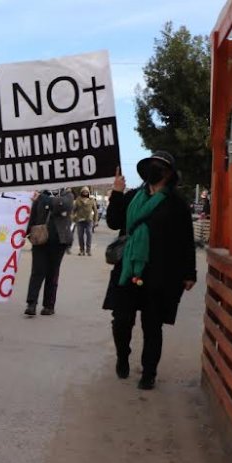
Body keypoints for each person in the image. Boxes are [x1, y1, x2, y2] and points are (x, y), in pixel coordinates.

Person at [103, 151, 197, 390]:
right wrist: (116, 191)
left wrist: (189, 273)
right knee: (121, 320)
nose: (154, 169)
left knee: (152, 325)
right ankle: (122, 356)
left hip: (161, 273)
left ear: (169, 173)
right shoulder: (133, 196)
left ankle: (149, 373)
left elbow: (185, 240)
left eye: (159, 166)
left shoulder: (177, 203)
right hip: (127, 269)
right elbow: (114, 222)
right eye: (151, 165)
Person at [24, 188, 74, 316]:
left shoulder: (67, 195)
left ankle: (49, 306)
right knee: (37, 272)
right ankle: (31, 304)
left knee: (52, 273)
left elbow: (62, 206)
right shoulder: (42, 195)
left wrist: (43, 198)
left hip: (59, 241)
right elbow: (33, 215)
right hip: (40, 239)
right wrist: (27, 233)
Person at [72, 186, 98, 256]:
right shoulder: (78, 200)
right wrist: (73, 218)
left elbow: (95, 211)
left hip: (89, 220)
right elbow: (73, 210)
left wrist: (96, 221)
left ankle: (88, 250)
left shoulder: (92, 200)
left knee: (89, 234)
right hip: (80, 220)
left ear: (88, 192)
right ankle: (82, 250)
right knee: (80, 235)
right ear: (81, 192)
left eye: (86, 192)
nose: (85, 193)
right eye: (84, 192)